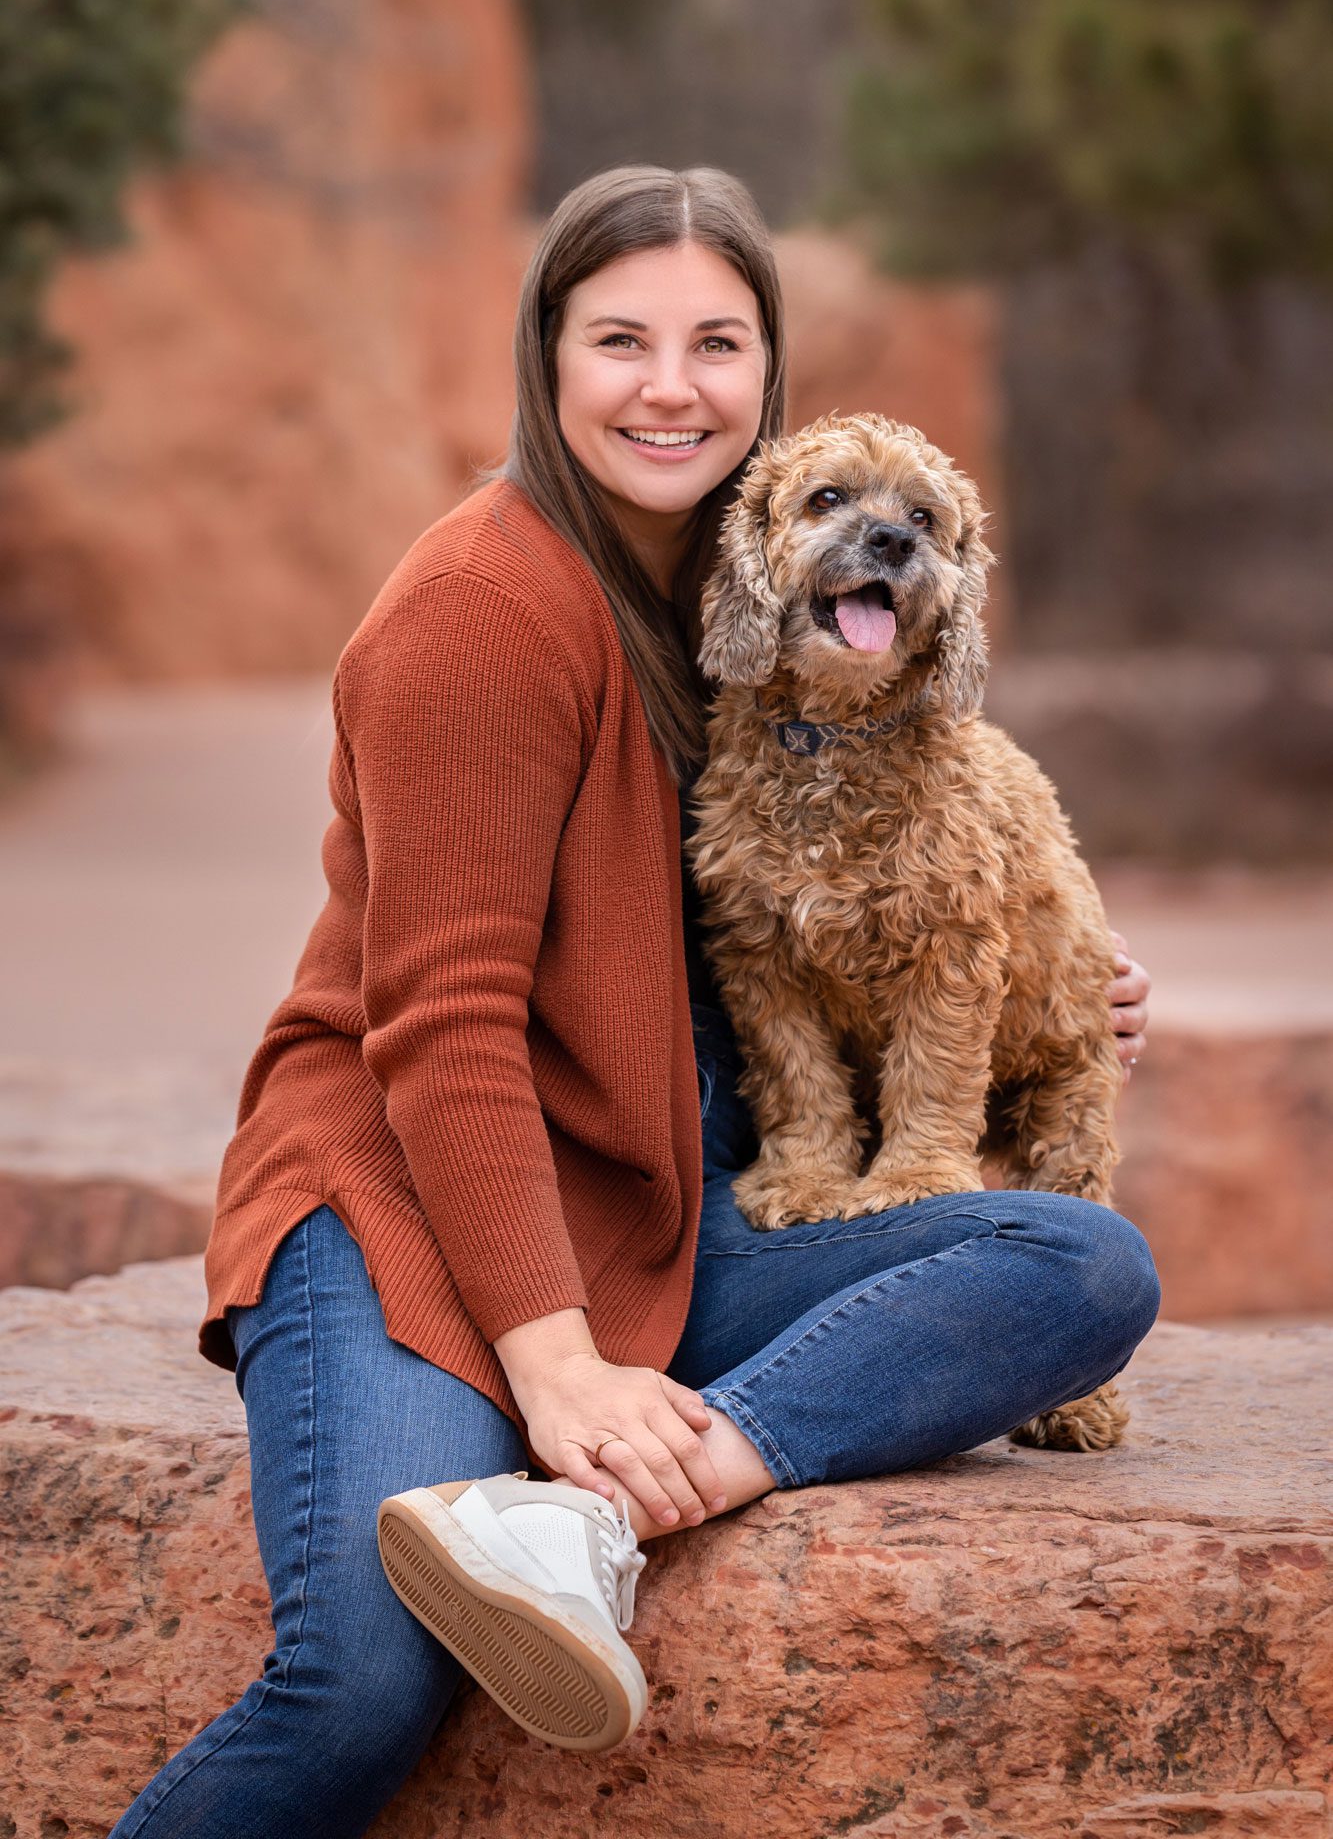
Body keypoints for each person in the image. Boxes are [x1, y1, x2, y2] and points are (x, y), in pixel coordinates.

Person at [108, 165, 1157, 1838]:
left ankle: (599, 1520)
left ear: (768, 372)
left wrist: (1041, 971)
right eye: (621, 341)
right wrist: (561, 1377)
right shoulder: (476, 608)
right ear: (546, 358)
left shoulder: (759, 589)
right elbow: (442, 1033)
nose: (672, 388)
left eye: (717, 344)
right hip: (406, 1198)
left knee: (1083, 1267)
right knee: (366, 1671)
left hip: (661, 1191)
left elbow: (831, 899)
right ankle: (581, 1461)